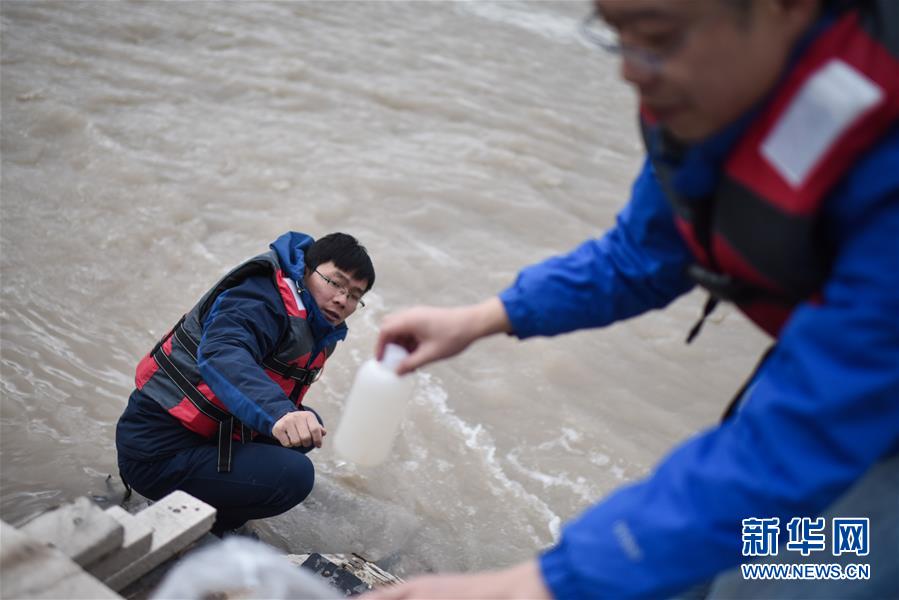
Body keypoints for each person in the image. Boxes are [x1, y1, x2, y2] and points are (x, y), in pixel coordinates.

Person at [370, 0, 898, 597]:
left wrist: (533, 584)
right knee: (692, 571)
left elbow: (803, 438)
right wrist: (483, 318)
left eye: (657, 36)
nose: (631, 70)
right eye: (618, 34)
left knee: (788, 577)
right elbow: (642, 252)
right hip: (831, 375)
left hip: (856, 401)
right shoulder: (714, 108)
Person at [115, 231, 375, 535]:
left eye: (356, 295)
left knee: (306, 430)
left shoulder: (314, 322)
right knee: (295, 475)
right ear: (307, 269)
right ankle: (214, 529)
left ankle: (217, 510)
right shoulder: (257, 298)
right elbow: (222, 354)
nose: (343, 300)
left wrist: (287, 416)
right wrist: (280, 413)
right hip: (157, 450)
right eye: (335, 282)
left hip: (207, 437)